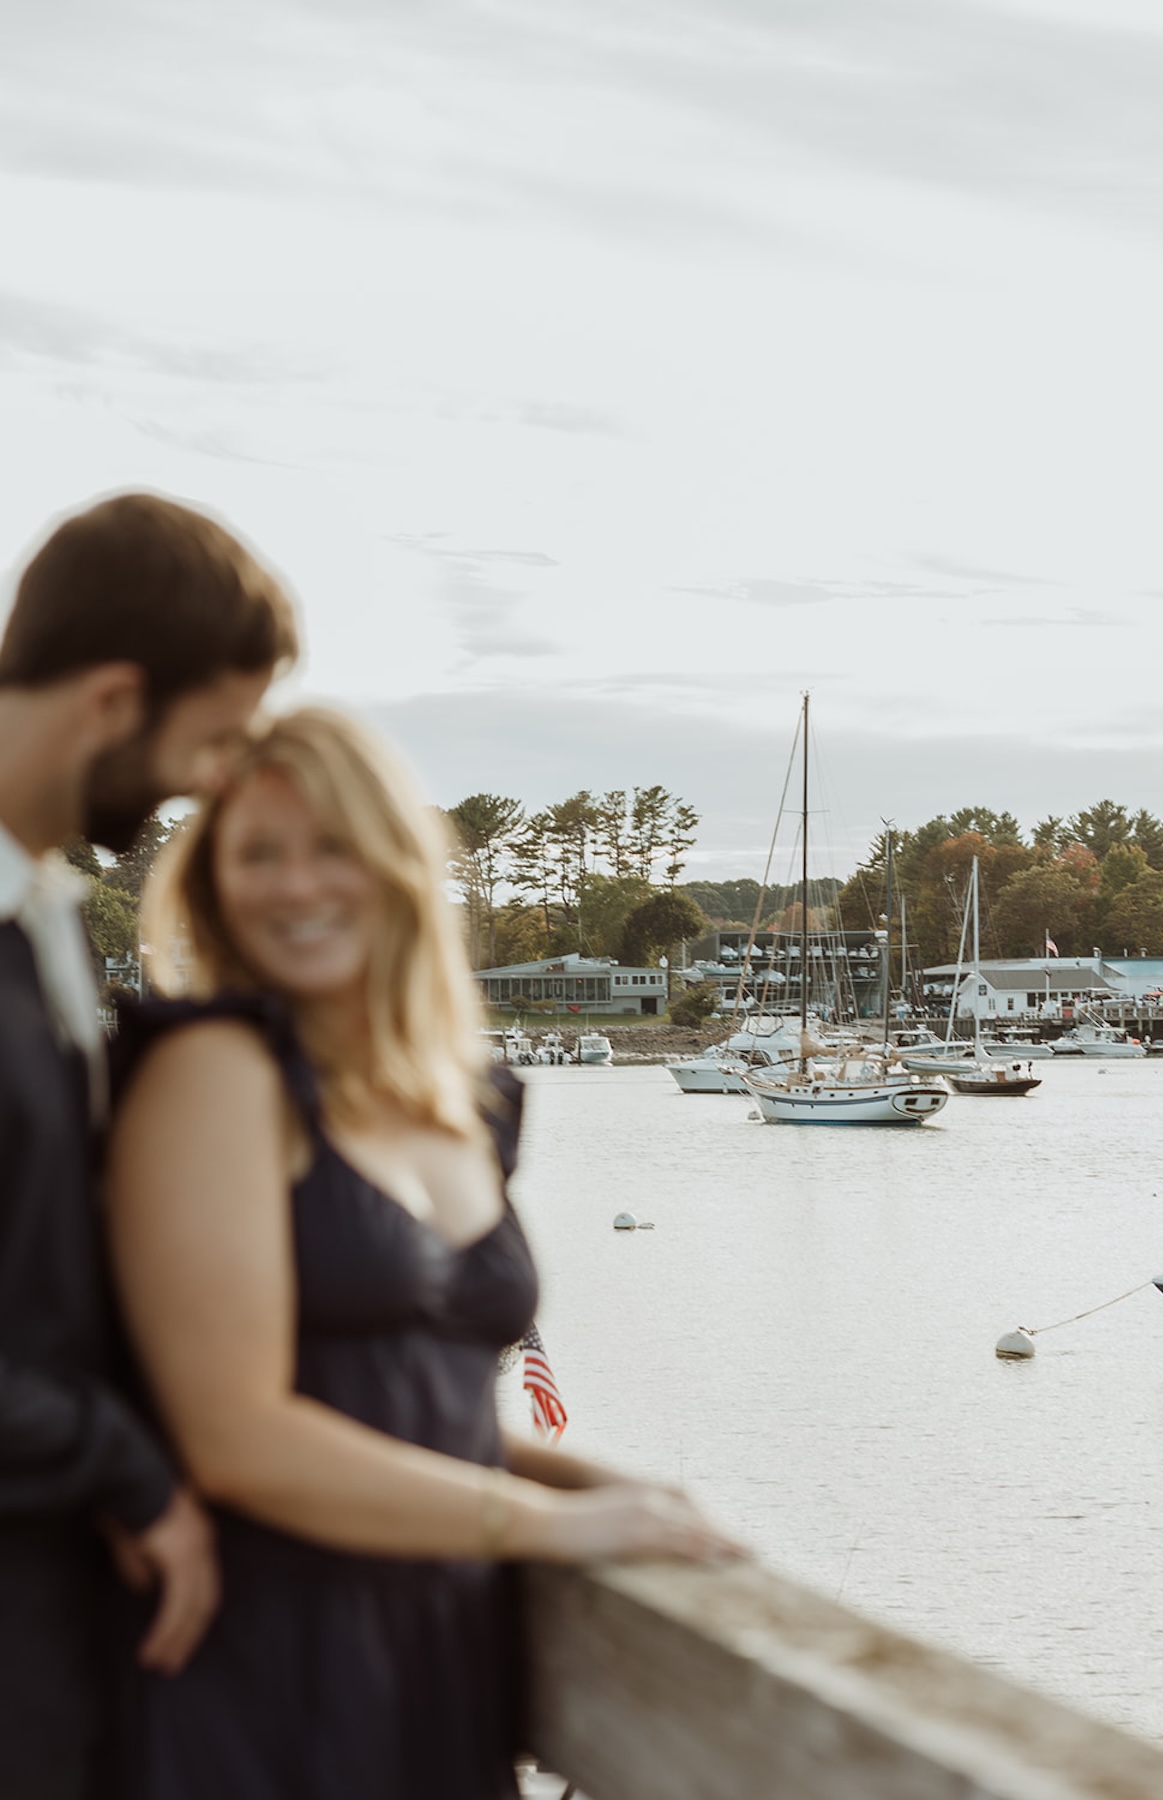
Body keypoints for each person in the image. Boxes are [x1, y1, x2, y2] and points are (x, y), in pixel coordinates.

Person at [106, 706, 741, 1800]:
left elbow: (411, 1406)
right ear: (212, 884)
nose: (297, 886)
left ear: (399, 867)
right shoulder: (215, 1071)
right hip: (267, 1664)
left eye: (332, 847)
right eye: (258, 854)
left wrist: (611, 1487)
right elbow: (233, 1435)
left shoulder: (465, 1101)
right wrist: (553, 1520)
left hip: (441, 1659)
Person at [0, 490, 298, 1799]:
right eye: (217, 736)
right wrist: (130, 1471)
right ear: (115, 699)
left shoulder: (46, 910)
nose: (219, 780)